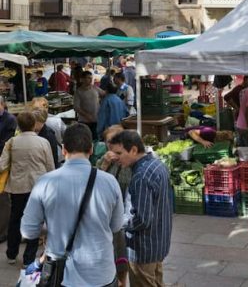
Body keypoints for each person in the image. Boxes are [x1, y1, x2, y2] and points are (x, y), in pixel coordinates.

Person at [21, 122, 124, 286]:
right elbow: (116, 226)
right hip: (101, 272)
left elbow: (28, 231)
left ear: (63, 149)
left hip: (62, 275)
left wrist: (50, 227)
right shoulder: (110, 182)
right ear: (91, 149)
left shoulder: (45, 183)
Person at [108, 130, 173, 287]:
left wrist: (118, 224)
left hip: (143, 249)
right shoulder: (158, 165)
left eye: (119, 153)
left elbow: (142, 219)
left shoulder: (141, 177)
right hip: (158, 243)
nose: (115, 158)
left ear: (134, 150)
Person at [0, 110, 54, 266]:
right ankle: (28, 258)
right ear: (33, 124)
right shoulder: (44, 142)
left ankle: (11, 253)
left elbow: (2, 165)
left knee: (15, 219)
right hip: (39, 187)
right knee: (35, 221)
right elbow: (50, 167)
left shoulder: (11, 142)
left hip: (18, 187)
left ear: (19, 126)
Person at [97, 125, 132, 287]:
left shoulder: (130, 161)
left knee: (122, 256)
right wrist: (105, 163)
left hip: (125, 215)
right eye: (107, 143)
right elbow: (93, 181)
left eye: (112, 142)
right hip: (106, 215)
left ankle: (122, 282)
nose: (109, 147)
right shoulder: (104, 160)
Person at [0, 95, 16, 243]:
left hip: (3, 164)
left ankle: (3, 231)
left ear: (2, 105)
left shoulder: (10, 120)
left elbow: (6, 142)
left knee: (3, 198)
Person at [74, 70, 102, 140]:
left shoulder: (95, 88)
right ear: (82, 79)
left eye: (91, 78)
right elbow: (76, 107)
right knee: (85, 139)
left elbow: (104, 94)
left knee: (95, 139)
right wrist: (87, 115)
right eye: (88, 78)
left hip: (96, 120)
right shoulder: (79, 92)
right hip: (84, 121)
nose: (90, 80)